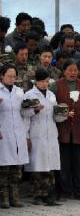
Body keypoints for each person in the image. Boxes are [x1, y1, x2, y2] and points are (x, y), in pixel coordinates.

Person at [50, 59, 80, 201]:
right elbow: (51, 108)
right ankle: (64, 191)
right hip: (62, 131)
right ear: (64, 71)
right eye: (70, 70)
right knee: (64, 163)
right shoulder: (55, 86)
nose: (73, 73)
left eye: (75, 70)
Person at [23, 68, 66, 206]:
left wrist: (63, 114)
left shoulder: (51, 95)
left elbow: (55, 117)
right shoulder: (29, 94)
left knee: (50, 166)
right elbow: (24, 114)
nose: (45, 84)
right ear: (36, 81)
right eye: (42, 82)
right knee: (38, 167)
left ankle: (49, 195)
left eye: (47, 81)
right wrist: (35, 109)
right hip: (36, 134)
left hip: (51, 134)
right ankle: (37, 195)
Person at [0, 65, 28, 209]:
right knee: (4, 169)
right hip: (3, 133)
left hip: (18, 132)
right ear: (2, 76)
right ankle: (3, 199)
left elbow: (24, 112)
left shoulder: (19, 92)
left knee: (16, 169)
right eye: (9, 76)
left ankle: (15, 198)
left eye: (14, 76)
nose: (12, 79)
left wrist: (33, 109)